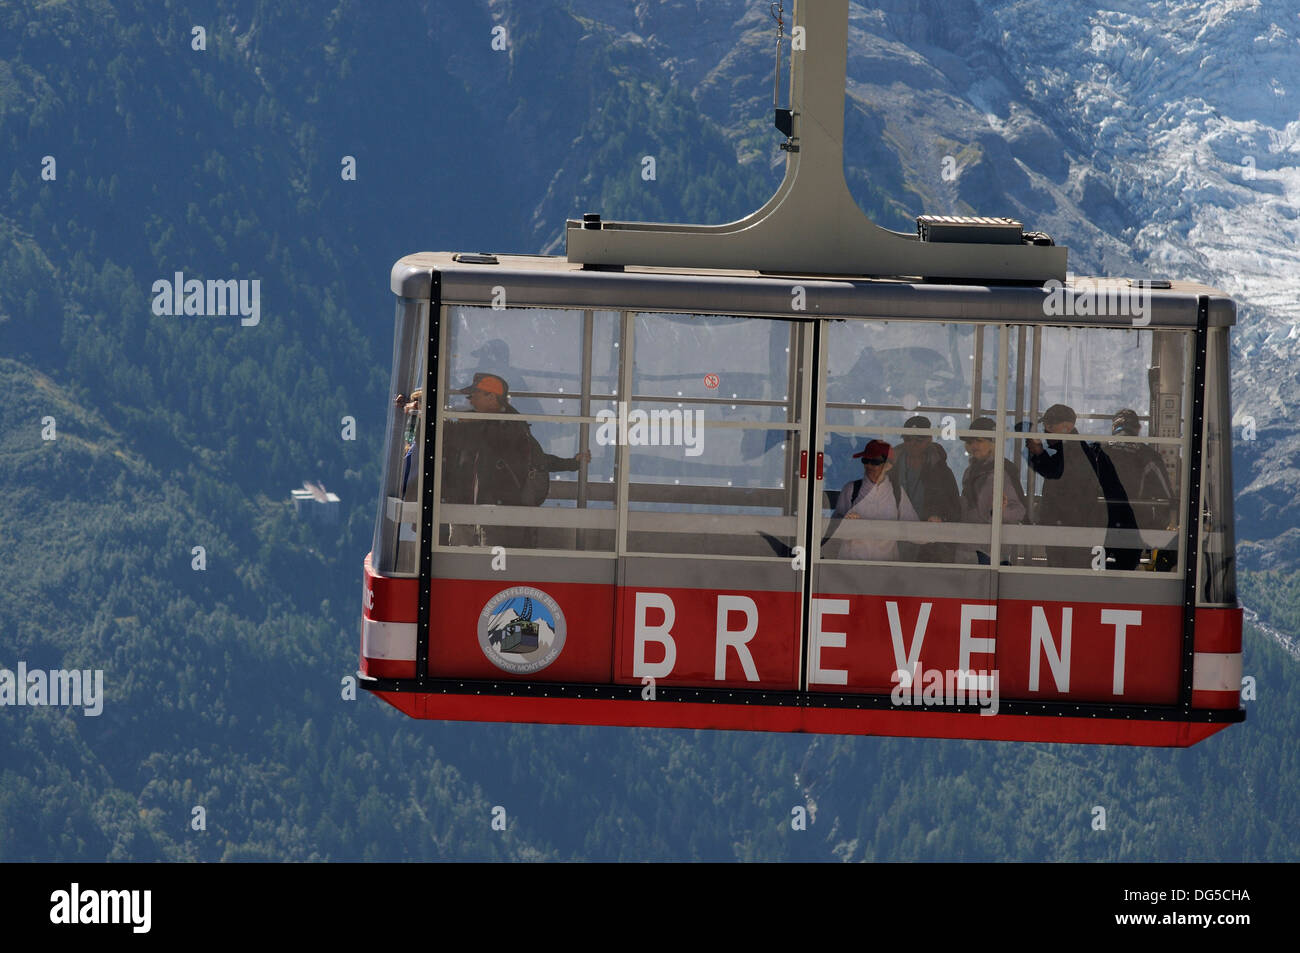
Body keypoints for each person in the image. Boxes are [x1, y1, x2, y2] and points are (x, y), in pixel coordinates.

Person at [440, 372, 591, 546]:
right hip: (472, 512)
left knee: (486, 560)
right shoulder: (506, 424)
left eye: (474, 395)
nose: (470, 401)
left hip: (494, 516)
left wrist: (425, 414)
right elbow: (537, 459)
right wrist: (572, 463)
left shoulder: (503, 427)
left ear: (491, 397)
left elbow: (455, 434)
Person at [1024, 404, 1106, 569]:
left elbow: (1061, 483)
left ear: (1065, 428)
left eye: (1049, 427)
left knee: (1065, 574)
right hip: (1071, 526)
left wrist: (1039, 454)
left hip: (1069, 527)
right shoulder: (1074, 449)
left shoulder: (1073, 452)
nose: (1046, 433)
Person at [1105, 408, 1176, 570]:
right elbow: (1166, 496)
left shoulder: (1098, 449)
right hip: (1133, 525)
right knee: (1126, 569)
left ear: (1114, 427)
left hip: (1099, 523)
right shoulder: (1148, 455)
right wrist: (1158, 527)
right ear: (1137, 429)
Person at [830, 439, 919, 561]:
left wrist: (934, 526)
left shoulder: (897, 492)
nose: (869, 466)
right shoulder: (851, 489)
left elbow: (916, 533)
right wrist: (846, 521)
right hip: (852, 567)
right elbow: (833, 530)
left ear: (889, 465)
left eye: (875, 461)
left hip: (885, 568)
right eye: (865, 460)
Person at [892, 415, 961, 563]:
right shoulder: (890, 468)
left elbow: (954, 506)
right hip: (894, 538)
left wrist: (940, 517)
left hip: (930, 543)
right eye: (908, 439)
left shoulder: (941, 471)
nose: (913, 444)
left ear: (929, 439)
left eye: (919, 440)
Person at [959, 417, 1026, 565]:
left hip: (991, 550)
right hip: (969, 546)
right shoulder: (970, 471)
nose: (974, 445)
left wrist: (999, 511)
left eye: (979, 440)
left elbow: (1019, 511)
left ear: (993, 443)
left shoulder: (1003, 471)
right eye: (970, 441)